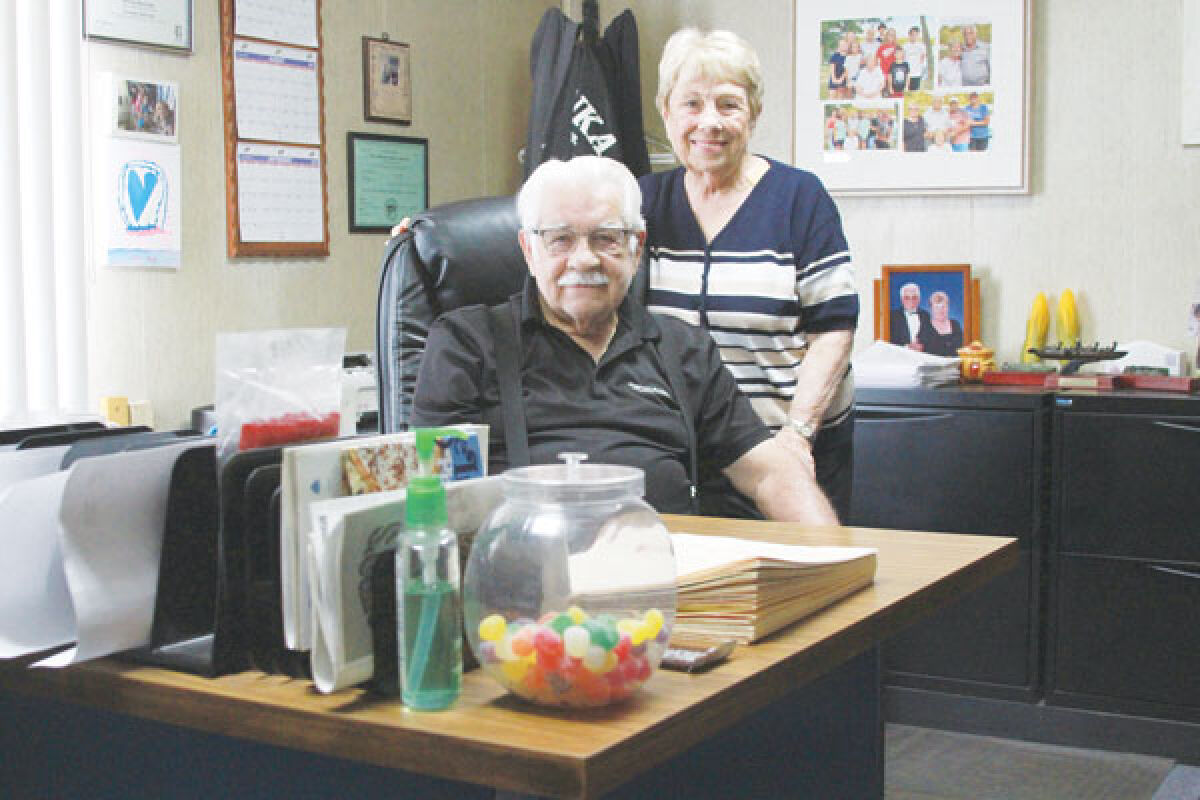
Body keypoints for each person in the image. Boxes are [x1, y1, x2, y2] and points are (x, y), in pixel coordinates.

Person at [411, 156, 838, 525]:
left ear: (636, 249)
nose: (583, 259)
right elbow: (445, 499)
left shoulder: (683, 349)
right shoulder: (466, 345)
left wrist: (835, 559)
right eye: (560, 239)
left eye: (605, 238)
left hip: (676, 578)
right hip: (530, 589)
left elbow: (768, 473)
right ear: (528, 250)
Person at [640, 28, 859, 519]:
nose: (708, 122)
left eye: (728, 104)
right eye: (691, 104)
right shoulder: (645, 204)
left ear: (754, 112)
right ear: (666, 111)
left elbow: (833, 330)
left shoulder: (800, 199)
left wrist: (798, 434)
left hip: (786, 451)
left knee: (803, 584)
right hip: (687, 456)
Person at [918, 290, 964, 356]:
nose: (940, 310)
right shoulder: (925, 327)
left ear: (948, 307)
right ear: (931, 309)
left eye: (943, 307)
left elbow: (963, 348)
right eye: (937, 307)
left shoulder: (955, 324)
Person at [889, 282, 932, 350]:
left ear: (919, 299)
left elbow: (930, 340)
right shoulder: (892, 317)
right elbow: (888, 342)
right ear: (902, 299)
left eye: (914, 297)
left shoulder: (926, 316)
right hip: (900, 358)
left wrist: (922, 347)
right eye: (907, 298)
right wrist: (907, 347)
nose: (911, 301)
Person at [904, 26, 926, 91]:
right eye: (913, 35)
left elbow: (923, 58)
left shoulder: (921, 46)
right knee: (906, 93)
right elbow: (903, 59)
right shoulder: (905, 46)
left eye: (916, 35)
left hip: (917, 74)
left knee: (915, 93)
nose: (914, 37)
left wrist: (920, 70)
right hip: (907, 74)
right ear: (909, 35)